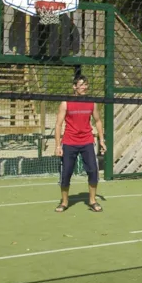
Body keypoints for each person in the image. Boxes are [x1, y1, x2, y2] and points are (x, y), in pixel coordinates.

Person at [54, 75, 106, 213]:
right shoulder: (66, 103)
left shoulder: (91, 103)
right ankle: (64, 202)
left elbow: (98, 121)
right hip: (69, 142)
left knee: (93, 172)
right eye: (81, 85)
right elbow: (58, 125)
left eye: (86, 85)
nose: (84, 87)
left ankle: (92, 201)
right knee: (66, 174)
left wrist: (101, 140)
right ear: (74, 86)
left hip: (87, 141)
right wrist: (58, 146)